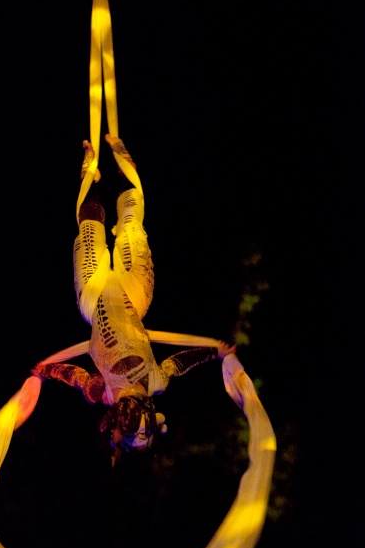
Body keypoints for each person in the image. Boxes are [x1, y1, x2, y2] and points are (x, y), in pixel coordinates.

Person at [34, 135, 234, 463]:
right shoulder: (155, 382)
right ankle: (124, 162)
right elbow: (181, 362)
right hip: (132, 294)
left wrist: (47, 370)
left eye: (120, 428)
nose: (122, 421)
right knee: (130, 223)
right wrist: (216, 351)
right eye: (126, 427)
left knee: (89, 221)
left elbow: (74, 376)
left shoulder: (101, 392)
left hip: (95, 297)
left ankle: (91, 175)